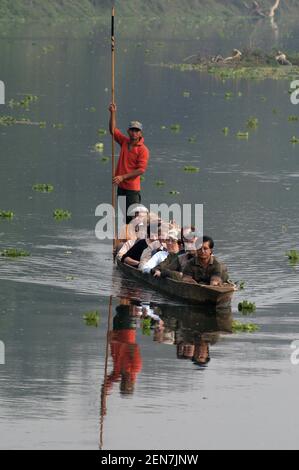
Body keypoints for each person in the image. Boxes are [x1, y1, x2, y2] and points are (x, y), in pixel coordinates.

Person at [109, 103, 150, 224]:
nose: (134, 133)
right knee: (124, 217)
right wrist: (112, 113)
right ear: (128, 131)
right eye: (132, 130)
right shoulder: (124, 142)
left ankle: (132, 240)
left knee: (133, 218)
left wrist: (122, 177)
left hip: (132, 189)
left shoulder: (143, 150)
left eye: (137, 131)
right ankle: (125, 240)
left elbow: (141, 170)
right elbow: (112, 130)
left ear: (140, 133)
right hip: (121, 187)